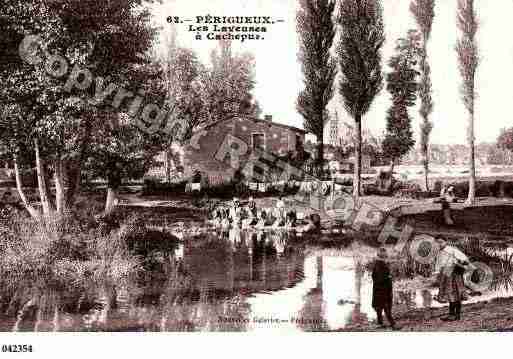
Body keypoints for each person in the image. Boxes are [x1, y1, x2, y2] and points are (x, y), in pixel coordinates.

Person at [434, 237, 471, 321]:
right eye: (437, 243)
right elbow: (438, 264)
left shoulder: (452, 250)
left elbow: (464, 259)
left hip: (454, 275)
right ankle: (451, 314)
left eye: (441, 242)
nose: (439, 244)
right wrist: (437, 273)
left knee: (456, 294)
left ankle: (457, 315)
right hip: (446, 275)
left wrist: (457, 264)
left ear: (445, 242)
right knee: (450, 294)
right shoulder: (439, 252)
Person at [371, 247, 400, 330]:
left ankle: (380, 323)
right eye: (385, 254)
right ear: (383, 256)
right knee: (386, 306)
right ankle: (393, 324)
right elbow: (381, 278)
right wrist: (389, 277)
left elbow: (374, 277)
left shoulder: (377, 264)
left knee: (379, 307)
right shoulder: (381, 265)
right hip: (383, 290)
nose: (387, 256)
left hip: (377, 289)